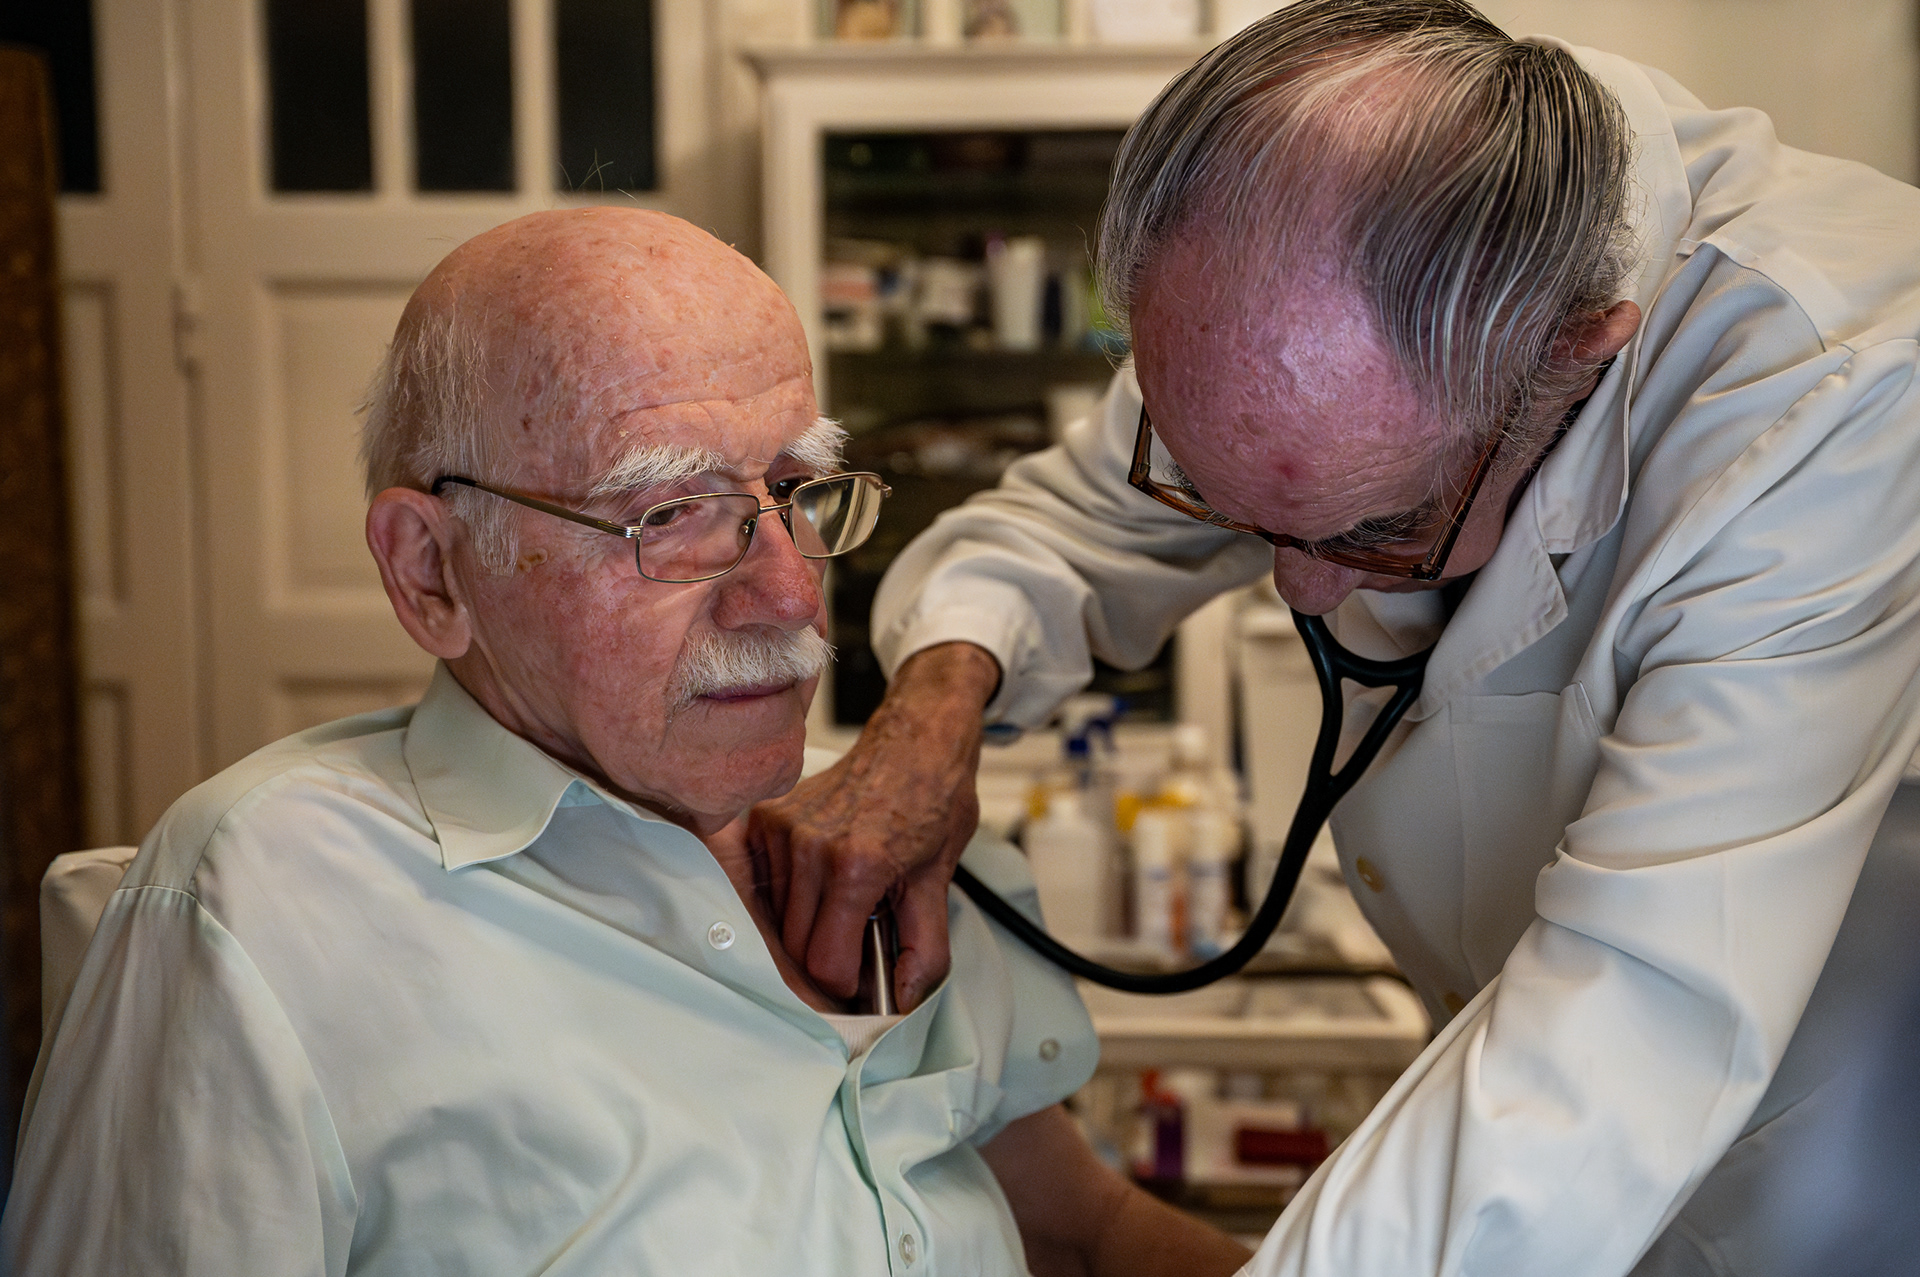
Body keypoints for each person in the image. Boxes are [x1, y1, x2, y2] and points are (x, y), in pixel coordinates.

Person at [749, 3, 1920, 1274]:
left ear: (1576, 359)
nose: (1300, 595)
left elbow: (1633, 1021)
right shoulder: (1272, 251)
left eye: (1375, 526)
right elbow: (1064, 530)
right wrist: (933, 715)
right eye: (1222, 499)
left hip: (1802, 1189)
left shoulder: (1830, 405)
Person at [0, 209, 1252, 1276]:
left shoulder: (879, 839)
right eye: (667, 513)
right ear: (432, 570)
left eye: (797, 494)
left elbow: (1077, 1233)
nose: (790, 596)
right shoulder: (262, 903)